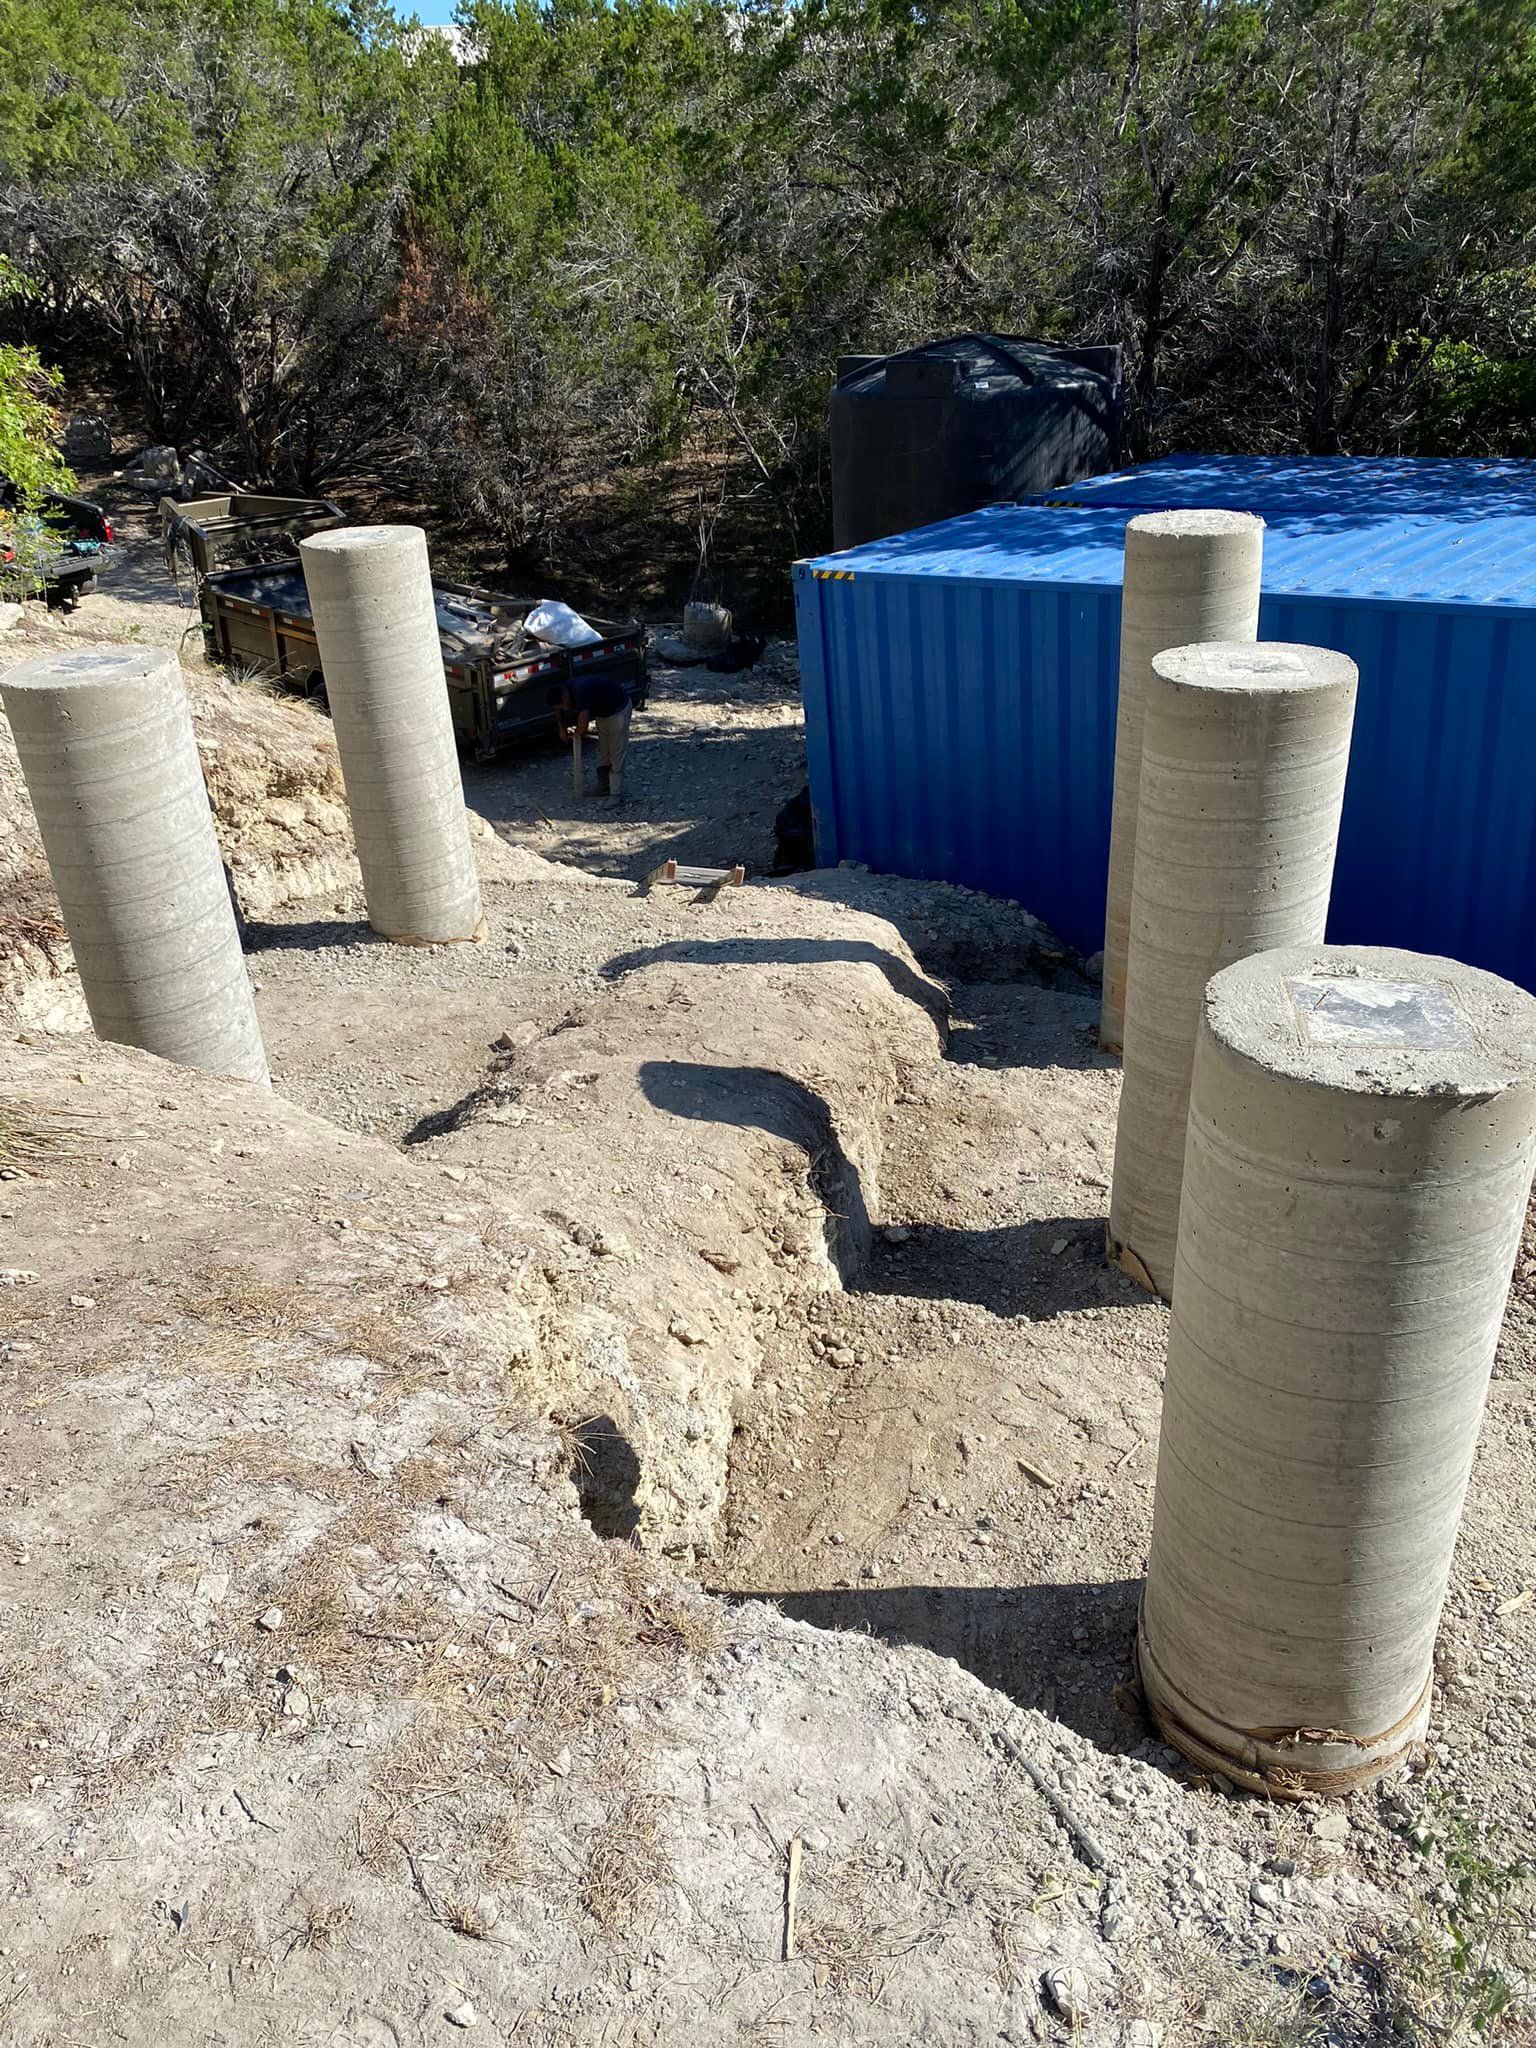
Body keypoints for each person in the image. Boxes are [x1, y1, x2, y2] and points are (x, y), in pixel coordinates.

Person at [552, 676, 632, 800]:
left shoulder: (580, 691)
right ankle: (603, 787)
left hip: (618, 710)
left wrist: (576, 735)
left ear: (564, 697)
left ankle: (615, 794)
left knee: (616, 752)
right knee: (603, 751)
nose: (565, 709)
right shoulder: (564, 690)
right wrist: (562, 728)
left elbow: (583, 723)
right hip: (602, 713)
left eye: (563, 706)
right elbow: (557, 710)